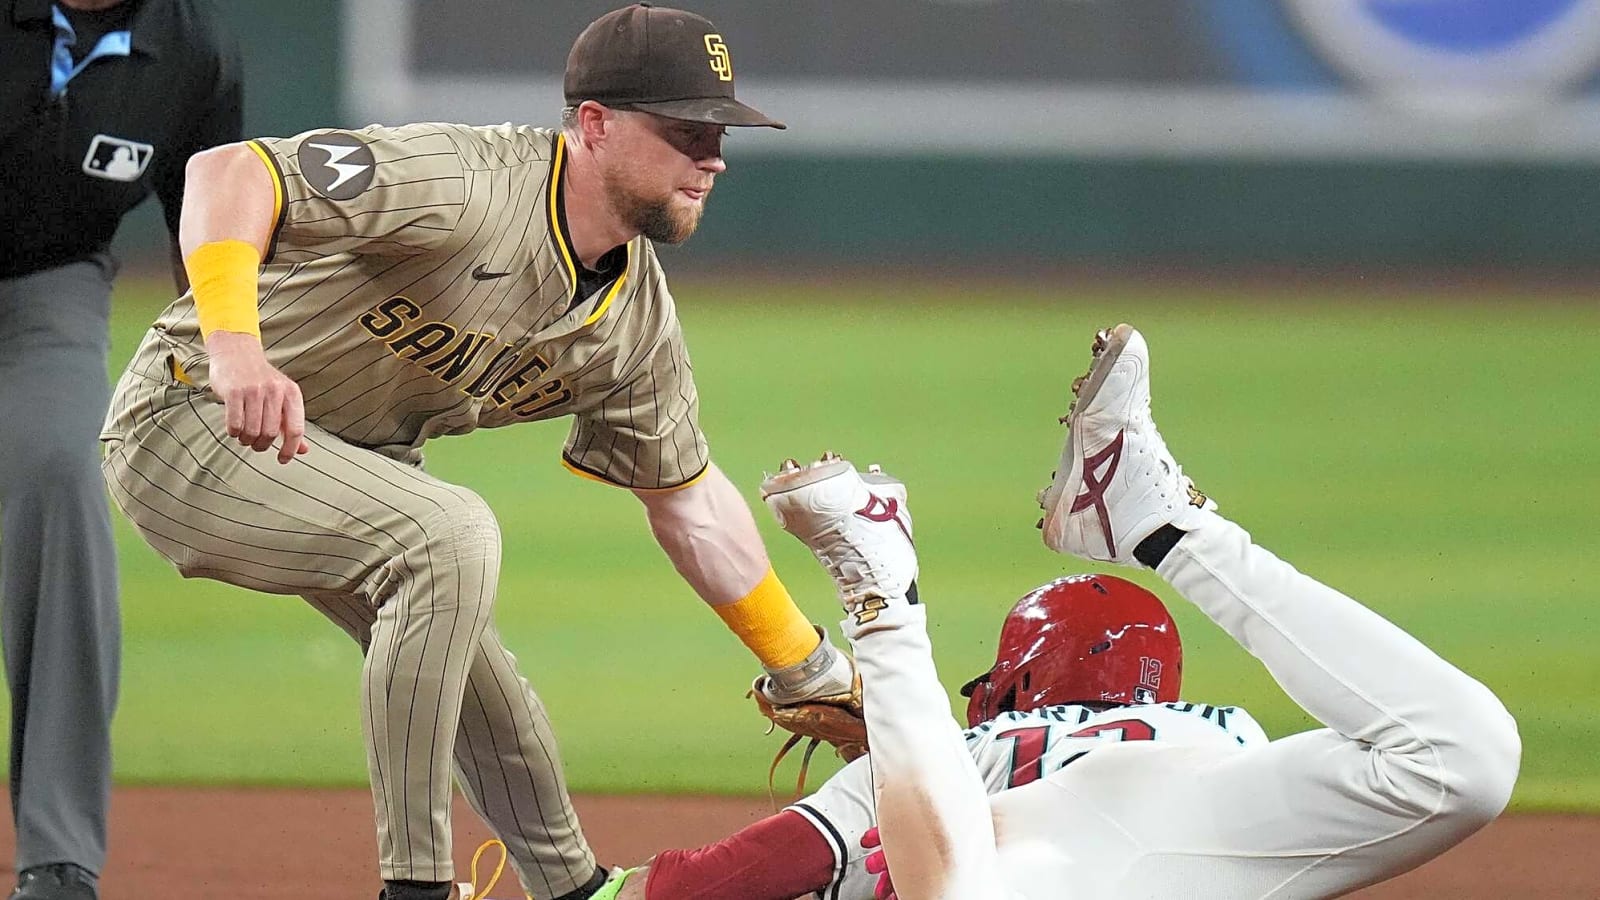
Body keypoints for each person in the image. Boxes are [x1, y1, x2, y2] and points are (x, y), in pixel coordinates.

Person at [97, 5, 859, 900]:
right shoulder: (467, 181)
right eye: (688, 129)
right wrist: (236, 349)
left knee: (490, 702)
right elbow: (229, 171)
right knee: (448, 534)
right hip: (188, 418)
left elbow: (687, 503)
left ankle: (574, 889)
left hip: (346, 465)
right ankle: (414, 888)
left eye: (721, 132)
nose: (714, 157)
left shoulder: (632, 325)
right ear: (596, 123)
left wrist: (806, 665)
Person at [591, 324, 1522, 900]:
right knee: (1470, 758)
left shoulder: (959, 759)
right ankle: (1165, 528)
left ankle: (885, 595)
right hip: (1204, 832)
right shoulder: (1229, 734)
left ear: (1018, 681)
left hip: (1024, 860)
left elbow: (700, 889)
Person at [1, 2, 241, 898]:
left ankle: (58, 857)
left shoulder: (192, 50)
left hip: (46, 288)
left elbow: (210, 222)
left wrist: (234, 353)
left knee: (63, 477)